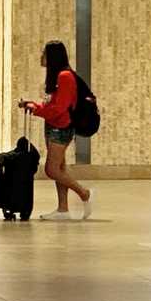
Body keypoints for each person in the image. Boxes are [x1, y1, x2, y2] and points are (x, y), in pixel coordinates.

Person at [19, 41, 94, 220]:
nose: (41, 57)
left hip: (61, 128)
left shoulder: (65, 77)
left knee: (51, 169)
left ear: (52, 56)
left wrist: (36, 110)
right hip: (54, 126)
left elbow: (60, 109)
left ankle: (84, 193)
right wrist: (33, 105)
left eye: (44, 53)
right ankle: (63, 209)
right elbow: (53, 106)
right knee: (59, 168)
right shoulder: (59, 77)